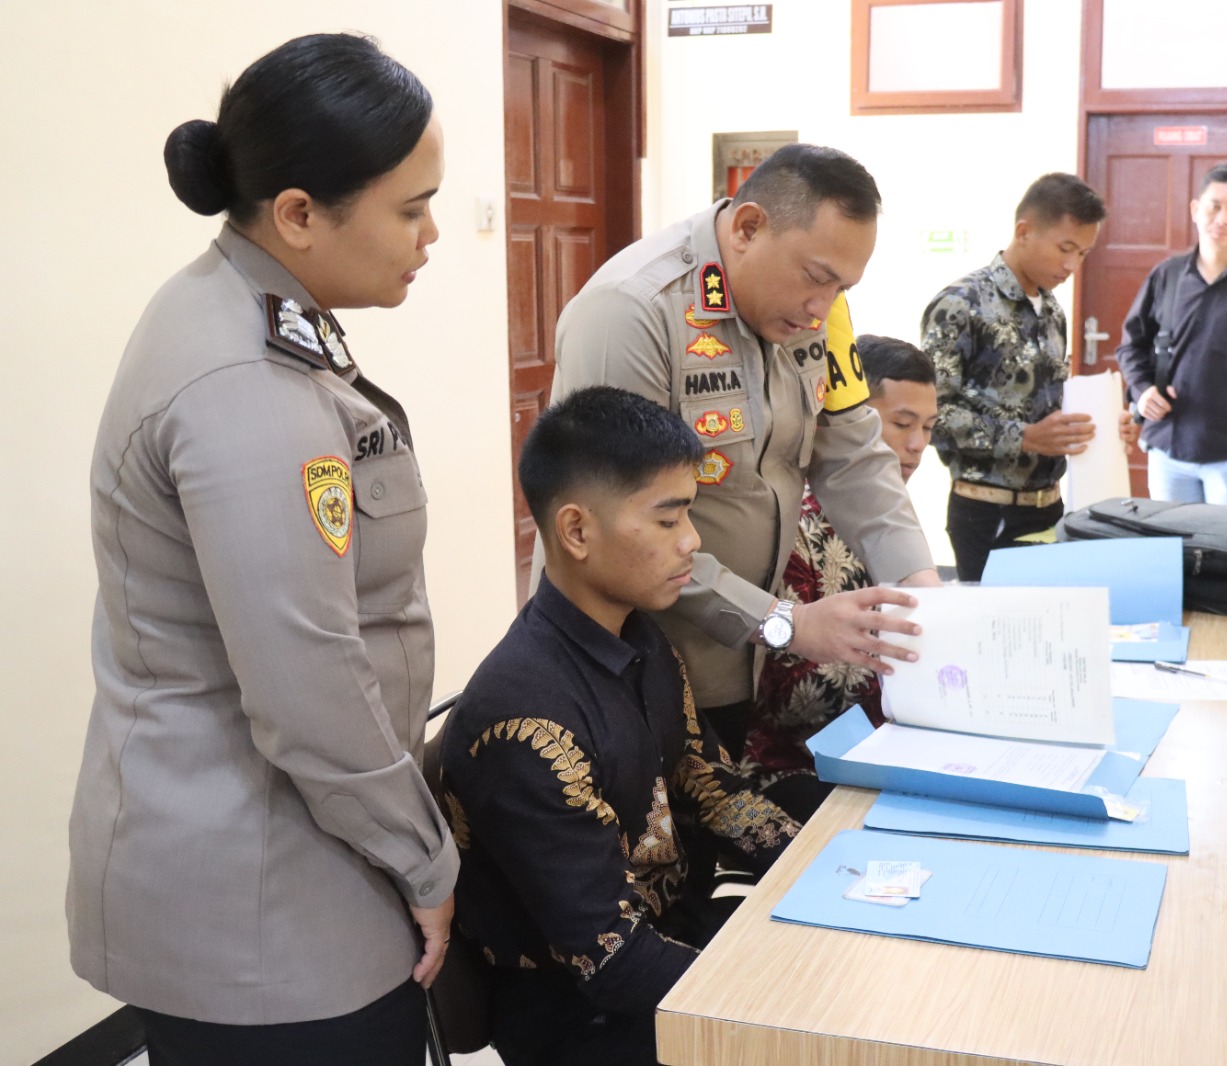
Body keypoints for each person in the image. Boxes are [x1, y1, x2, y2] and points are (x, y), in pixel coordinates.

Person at [67, 34, 457, 1065]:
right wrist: (427, 861)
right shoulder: (246, 385)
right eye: (411, 207)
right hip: (266, 899)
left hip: (274, 856)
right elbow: (309, 689)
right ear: (297, 214)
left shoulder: (238, 303)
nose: (431, 235)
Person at [440, 386, 800, 1066]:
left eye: (688, 514)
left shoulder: (640, 634)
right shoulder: (525, 718)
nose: (692, 542)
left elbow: (705, 781)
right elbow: (609, 960)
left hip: (670, 940)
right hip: (585, 1019)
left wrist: (823, 869)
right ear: (578, 531)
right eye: (667, 521)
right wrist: (778, 997)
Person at [549, 143, 938, 757]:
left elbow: (855, 455)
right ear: (749, 227)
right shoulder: (634, 312)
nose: (825, 307)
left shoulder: (819, 309)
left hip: (742, 660)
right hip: (635, 663)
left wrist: (922, 588)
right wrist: (788, 622)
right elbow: (621, 526)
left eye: (843, 287)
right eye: (816, 279)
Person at [746, 335, 939, 820]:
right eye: (900, 424)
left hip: (880, 749)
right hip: (798, 767)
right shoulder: (793, 522)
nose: (917, 445)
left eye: (929, 428)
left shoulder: (892, 519)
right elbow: (792, 698)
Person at [922, 173, 1109, 582]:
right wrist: (1023, 437)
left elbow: (1049, 407)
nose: (1072, 266)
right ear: (1023, 231)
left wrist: (1104, 429)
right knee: (994, 639)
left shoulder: (1052, 310)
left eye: (1083, 253)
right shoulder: (960, 305)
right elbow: (933, 416)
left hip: (1048, 507)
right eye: (1065, 249)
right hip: (987, 512)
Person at [1116, 163, 1227, 505]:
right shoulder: (1165, 276)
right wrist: (1141, 392)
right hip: (1168, 448)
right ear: (1196, 210)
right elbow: (1131, 347)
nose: (1222, 218)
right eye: (1214, 206)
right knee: (1172, 552)